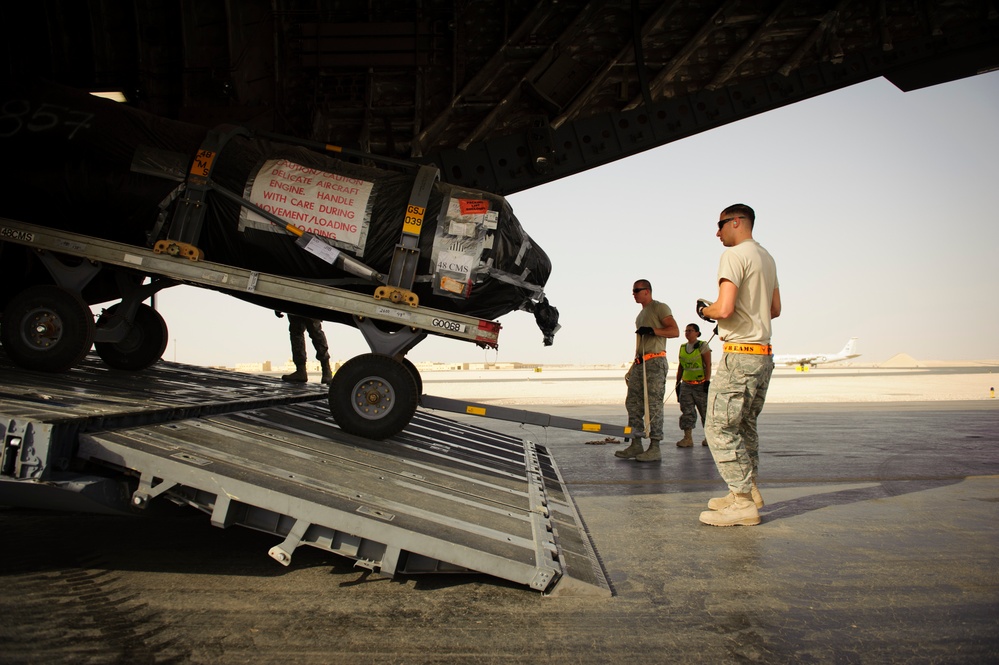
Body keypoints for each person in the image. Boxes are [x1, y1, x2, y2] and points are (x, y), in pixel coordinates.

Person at [697, 204, 780, 527]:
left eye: (720, 226)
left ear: (736, 222)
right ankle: (747, 491)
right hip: (762, 353)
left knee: (719, 426)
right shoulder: (766, 257)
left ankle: (743, 503)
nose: (717, 233)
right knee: (744, 425)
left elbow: (725, 307)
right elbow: (774, 308)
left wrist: (707, 311)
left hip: (740, 353)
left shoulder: (734, 256)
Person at [615, 279, 679, 462]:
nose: (633, 294)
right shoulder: (640, 315)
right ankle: (636, 444)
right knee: (633, 404)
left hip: (655, 362)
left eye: (636, 290)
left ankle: (655, 446)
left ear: (647, 291)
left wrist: (653, 330)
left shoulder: (660, 308)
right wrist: (633, 366)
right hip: (640, 363)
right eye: (633, 291)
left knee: (654, 405)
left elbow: (674, 331)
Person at [675, 323, 711, 448]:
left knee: (705, 412)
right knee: (687, 411)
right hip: (686, 384)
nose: (687, 333)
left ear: (697, 333)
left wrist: (707, 381)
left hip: (700, 384)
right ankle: (687, 438)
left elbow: (708, 364)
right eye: (686, 331)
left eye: (690, 330)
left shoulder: (702, 346)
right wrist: (677, 382)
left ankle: (710, 438)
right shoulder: (683, 347)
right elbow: (681, 366)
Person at [276, 312, 333, 384]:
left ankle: (326, 369)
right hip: (294, 305)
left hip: (310, 305)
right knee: (296, 333)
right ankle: (301, 370)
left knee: (315, 332)